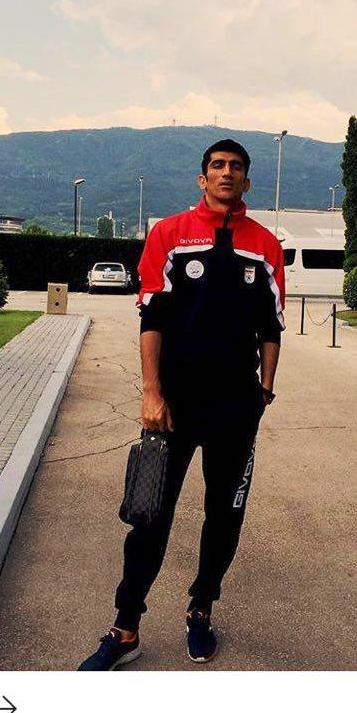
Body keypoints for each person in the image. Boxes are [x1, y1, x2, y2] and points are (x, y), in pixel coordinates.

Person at [79, 139, 285, 671]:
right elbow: (152, 319)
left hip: (235, 408)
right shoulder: (169, 234)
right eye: (217, 166)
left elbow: (271, 327)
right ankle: (126, 628)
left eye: (236, 167)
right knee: (149, 516)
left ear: (247, 181)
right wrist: (151, 393)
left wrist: (263, 392)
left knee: (225, 516)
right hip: (173, 405)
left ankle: (201, 609)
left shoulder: (265, 246)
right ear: (202, 178)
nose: (226, 173)